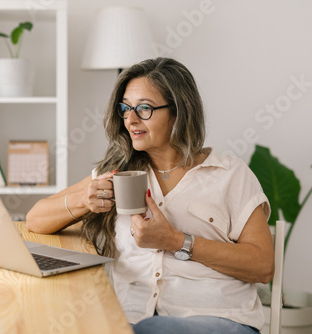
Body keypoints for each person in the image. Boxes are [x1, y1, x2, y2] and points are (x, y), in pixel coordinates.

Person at [25, 57, 274, 334]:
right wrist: (83, 199)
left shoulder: (230, 174)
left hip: (219, 320)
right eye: (126, 108)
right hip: (131, 321)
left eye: (144, 108)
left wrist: (174, 241)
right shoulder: (118, 174)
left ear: (179, 111)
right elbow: (35, 219)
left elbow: (262, 266)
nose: (130, 120)